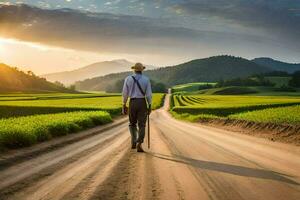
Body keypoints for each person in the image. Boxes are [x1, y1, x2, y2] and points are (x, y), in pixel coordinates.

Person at [122, 63, 152, 152]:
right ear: (142, 70)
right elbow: (149, 94)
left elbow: (125, 93)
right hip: (142, 103)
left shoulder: (128, 79)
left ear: (134, 70)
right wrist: (149, 105)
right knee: (142, 124)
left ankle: (134, 141)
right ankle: (139, 143)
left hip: (132, 102)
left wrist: (124, 104)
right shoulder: (146, 79)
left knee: (132, 123)